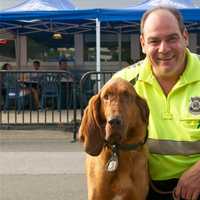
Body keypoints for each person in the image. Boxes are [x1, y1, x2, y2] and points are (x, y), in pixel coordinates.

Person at [113, 6, 200, 200]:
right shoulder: (122, 84)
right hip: (142, 184)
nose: (164, 49)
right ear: (143, 44)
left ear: (185, 37)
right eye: (154, 41)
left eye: (172, 38)